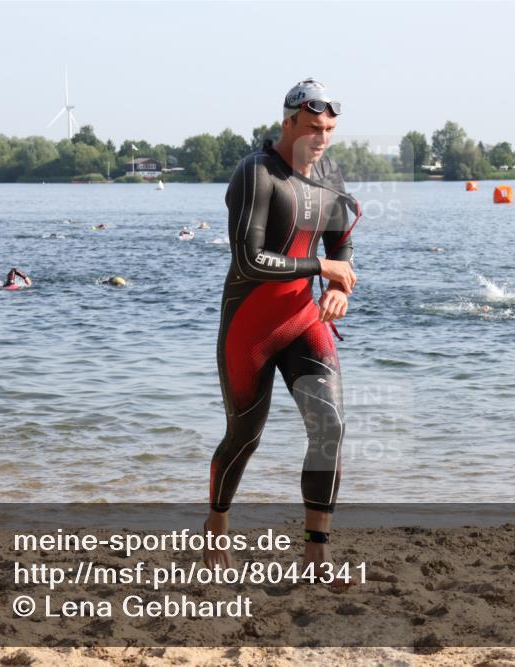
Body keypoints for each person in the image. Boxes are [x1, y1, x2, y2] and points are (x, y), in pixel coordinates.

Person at [204, 79, 357, 579]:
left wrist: (338, 287)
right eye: (313, 127)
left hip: (301, 320)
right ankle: (217, 522)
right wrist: (321, 271)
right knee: (244, 437)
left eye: (329, 129)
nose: (322, 138)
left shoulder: (329, 173)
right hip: (250, 325)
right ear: (287, 122)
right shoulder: (256, 174)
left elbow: (340, 242)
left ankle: (316, 552)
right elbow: (249, 259)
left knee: (329, 424)